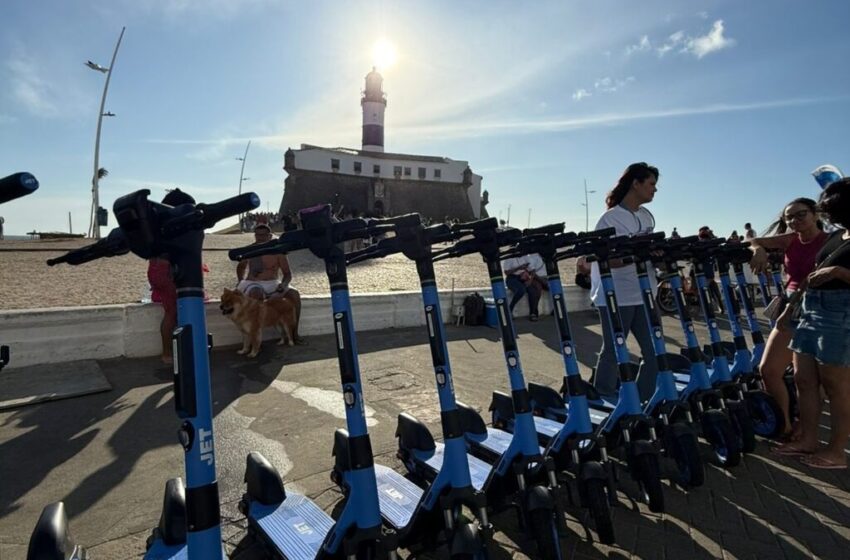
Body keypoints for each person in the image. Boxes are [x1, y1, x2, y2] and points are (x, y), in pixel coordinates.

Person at [777, 179, 850, 469]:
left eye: (832, 211)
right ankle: (808, 438)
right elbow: (812, 276)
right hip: (810, 310)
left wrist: (841, 272)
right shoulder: (839, 236)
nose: (828, 217)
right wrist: (789, 310)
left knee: (836, 386)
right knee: (804, 380)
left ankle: (836, 451)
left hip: (839, 314)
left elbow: (831, 272)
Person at [749, 198, 827, 438]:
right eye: (789, 217)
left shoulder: (829, 241)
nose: (795, 221)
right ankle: (784, 422)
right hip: (790, 306)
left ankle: (805, 427)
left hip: (819, 308)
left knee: (811, 378)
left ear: (815, 214)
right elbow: (753, 240)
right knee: (769, 369)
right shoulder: (791, 239)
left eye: (800, 214)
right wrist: (758, 249)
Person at [589, 162, 659, 399]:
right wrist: (635, 255)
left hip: (645, 293)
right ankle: (604, 396)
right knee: (614, 350)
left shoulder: (646, 217)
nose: (655, 190)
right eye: (651, 184)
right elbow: (603, 260)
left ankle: (642, 400)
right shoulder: (610, 219)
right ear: (635, 184)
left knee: (654, 353)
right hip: (617, 296)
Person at [147, 188, 195, 364]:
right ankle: (167, 354)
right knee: (172, 313)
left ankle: (170, 352)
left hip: (155, 269)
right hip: (168, 271)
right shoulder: (174, 225)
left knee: (171, 312)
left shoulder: (156, 224)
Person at [236, 223, 303, 342]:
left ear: (270, 236)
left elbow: (287, 274)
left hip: (272, 282)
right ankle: (255, 338)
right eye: (257, 235)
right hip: (254, 282)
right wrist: (240, 280)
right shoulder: (250, 250)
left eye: (263, 235)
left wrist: (283, 284)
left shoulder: (278, 251)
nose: (260, 238)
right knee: (256, 293)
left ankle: (294, 334)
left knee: (295, 294)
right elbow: (241, 267)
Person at [503, 253, 543, 321]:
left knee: (532, 291)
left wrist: (530, 280)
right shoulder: (509, 258)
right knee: (521, 290)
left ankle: (533, 313)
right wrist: (519, 268)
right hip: (512, 278)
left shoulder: (525, 257)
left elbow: (532, 270)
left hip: (523, 277)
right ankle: (509, 309)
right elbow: (506, 272)